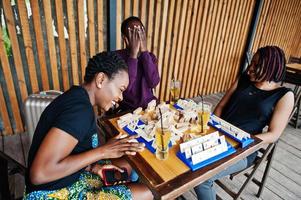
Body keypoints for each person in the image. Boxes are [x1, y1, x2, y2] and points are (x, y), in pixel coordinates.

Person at [24, 52, 153, 200]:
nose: (120, 98)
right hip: (51, 193)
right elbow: (39, 174)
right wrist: (103, 152)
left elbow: (68, 151)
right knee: (147, 192)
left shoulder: (78, 97)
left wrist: (93, 167)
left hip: (68, 178)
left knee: (126, 164)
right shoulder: (79, 111)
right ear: (100, 79)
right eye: (121, 89)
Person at [194, 46, 294, 200]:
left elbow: (274, 134)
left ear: (270, 67)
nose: (249, 70)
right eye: (251, 64)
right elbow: (220, 106)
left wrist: (245, 140)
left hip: (244, 149)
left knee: (202, 179)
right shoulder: (244, 79)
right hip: (217, 137)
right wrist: (213, 130)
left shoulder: (283, 95)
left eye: (256, 65)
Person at [114, 16, 160, 111]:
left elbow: (153, 82)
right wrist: (133, 56)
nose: (137, 37)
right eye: (133, 34)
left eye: (140, 33)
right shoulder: (117, 57)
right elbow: (125, 88)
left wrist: (144, 51)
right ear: (125, 38)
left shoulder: (150, 56)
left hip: (150, 107)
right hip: (128, 109)